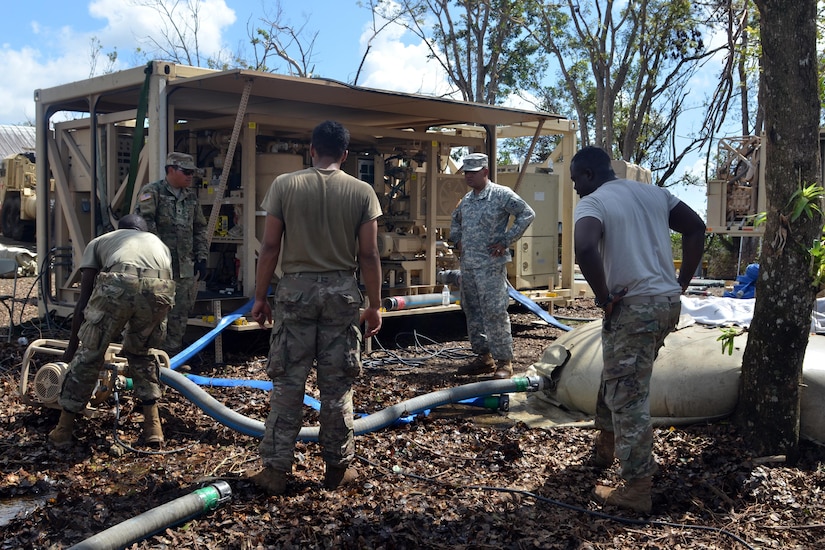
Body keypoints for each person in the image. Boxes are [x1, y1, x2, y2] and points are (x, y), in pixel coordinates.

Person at [249, 120, 383, 495]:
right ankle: (338, 469)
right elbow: (370, 254)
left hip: (295, 292)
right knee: (337, 385)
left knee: (288, 384)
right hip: (342, 293)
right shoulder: (362, 192)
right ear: (344, 154)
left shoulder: (285, 185)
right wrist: (374, 305)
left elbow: (270, 247)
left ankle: (276, 471)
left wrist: (261, 297)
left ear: (311, 149)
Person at [571, 146, 706, 514]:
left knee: (628, 396)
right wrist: (680, 283)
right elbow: (696, 227)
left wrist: (603, 297)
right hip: (665, 306)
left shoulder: (593, 202)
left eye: (575, 182)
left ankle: (636, 488)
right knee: (617, 375)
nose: (575, 191)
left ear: (587, 175)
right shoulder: (656, 194)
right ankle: (606, 445)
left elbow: (583, 246)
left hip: (633, 307)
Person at [48, 214, 177, 448]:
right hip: (162, 289)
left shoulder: (101, 240)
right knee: (142, 354)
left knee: (91, 354)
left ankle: (63, 429)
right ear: (143, 230)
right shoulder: (159, 244)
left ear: (120, 229)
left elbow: (84, 299)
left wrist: (71, 349)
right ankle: (153, 428)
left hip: (119, 282)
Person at [450, 152, 535, 379]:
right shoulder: (467, 201)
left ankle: (504, 362)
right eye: (466, 172)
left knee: (495, 312)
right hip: (468, 266)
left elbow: (527, 214)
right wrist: (456, 238)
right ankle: (483, 357)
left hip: (490, 266)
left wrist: (507, 240)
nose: (468, 176)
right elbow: (455, 220)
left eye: (473, 172)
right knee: (473, 311)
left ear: (485, 172)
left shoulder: (501, 195)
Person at [134, 152, 208, 355]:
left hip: (183, 269)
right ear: (171, 170)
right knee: (154, 315)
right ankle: (149, 357)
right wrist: (160, 253)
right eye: (186, 172)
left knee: (179, 315)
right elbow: (144, 224)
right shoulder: (153, 192)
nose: (190, 176)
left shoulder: (190, 197)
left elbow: (199, 227)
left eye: (192, 172)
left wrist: (202, 257)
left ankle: (173, 359)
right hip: (157, 269)